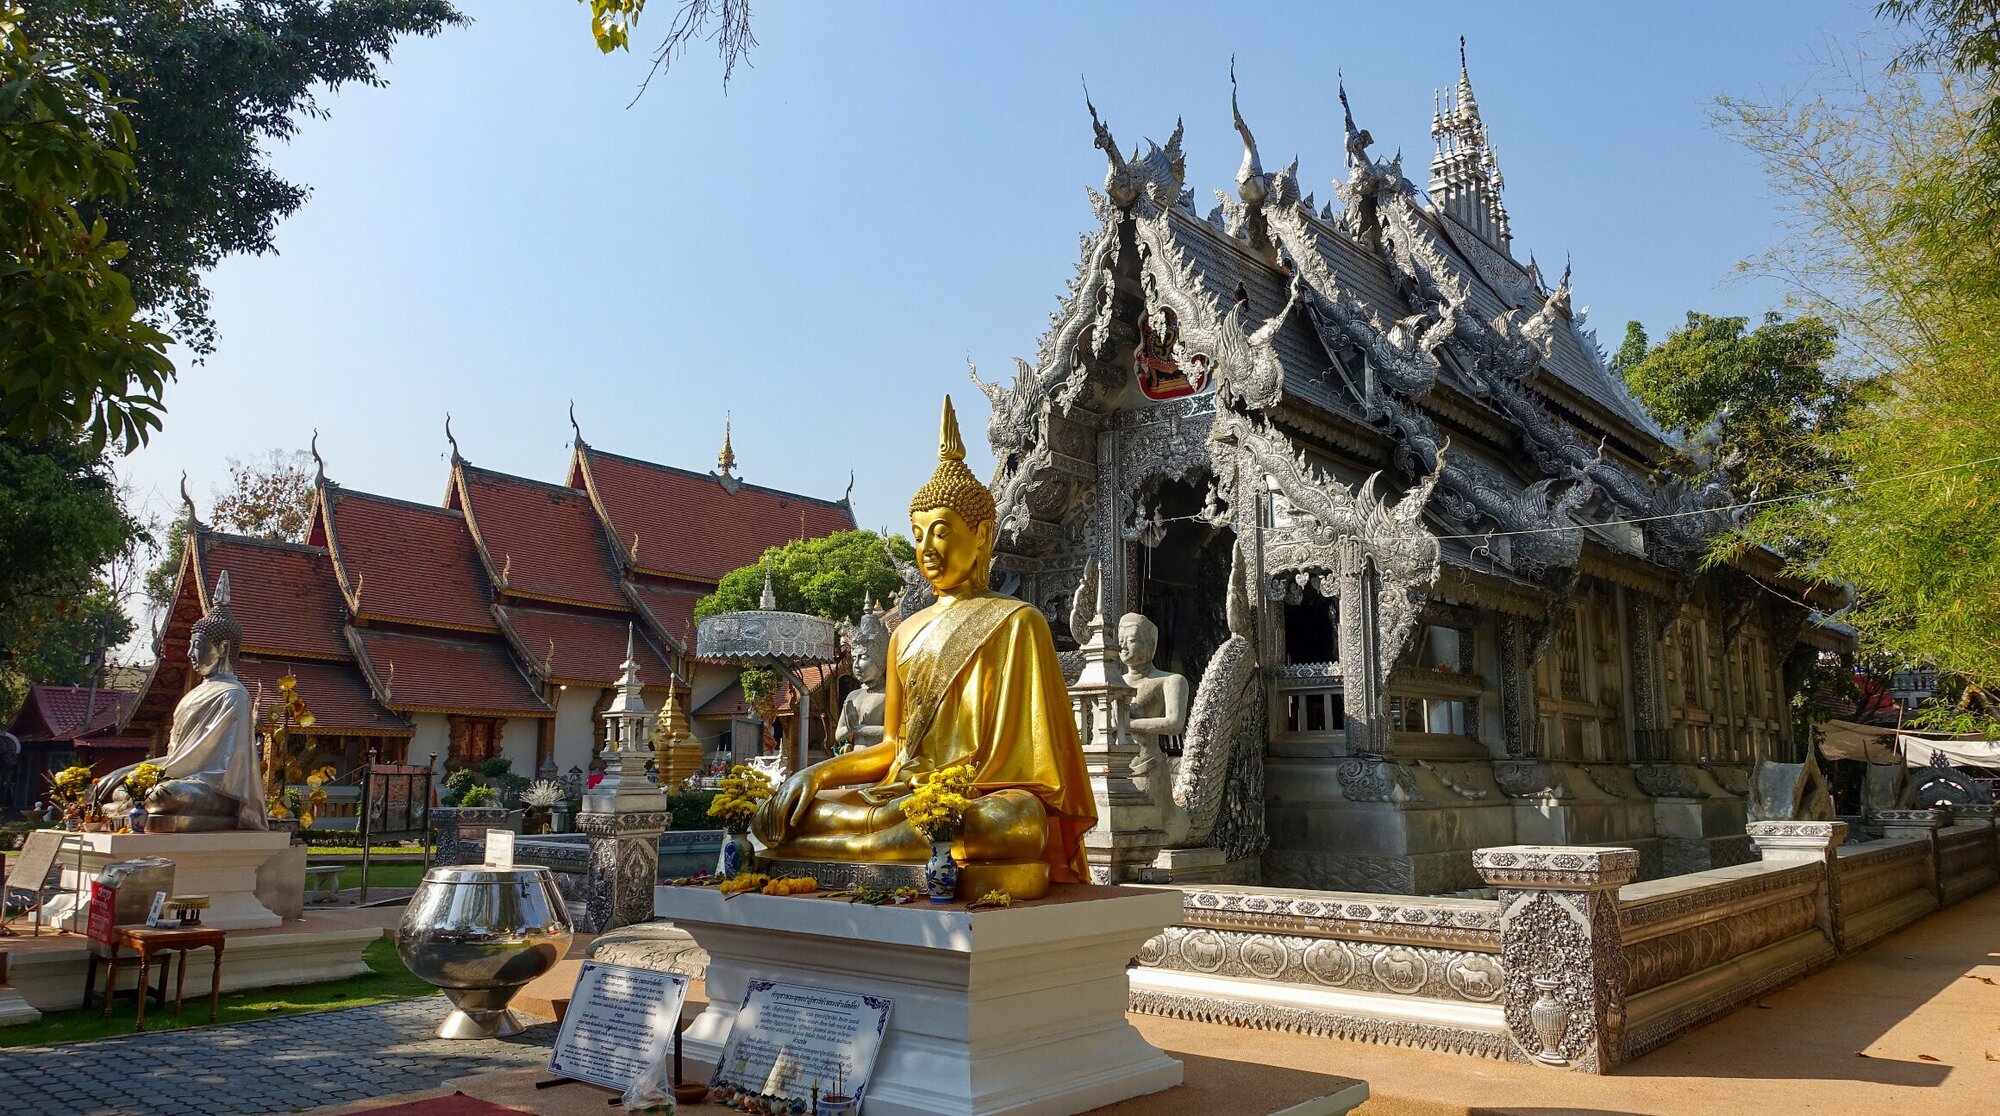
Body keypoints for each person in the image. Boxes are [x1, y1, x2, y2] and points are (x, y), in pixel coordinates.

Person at [753, 397, 1095, 897]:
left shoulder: (1019, 622)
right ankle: (883, 843)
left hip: (976, 800)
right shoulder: (904, 633)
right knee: (789, 812)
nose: (926, 549)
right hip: (901, 798)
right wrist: (816, 775)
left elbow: (1032, 768)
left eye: (941, 533)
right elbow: (895, 747)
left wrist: (948, 799)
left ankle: (873, 846)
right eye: (917, 535)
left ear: (981, 535)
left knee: (1014, 823)